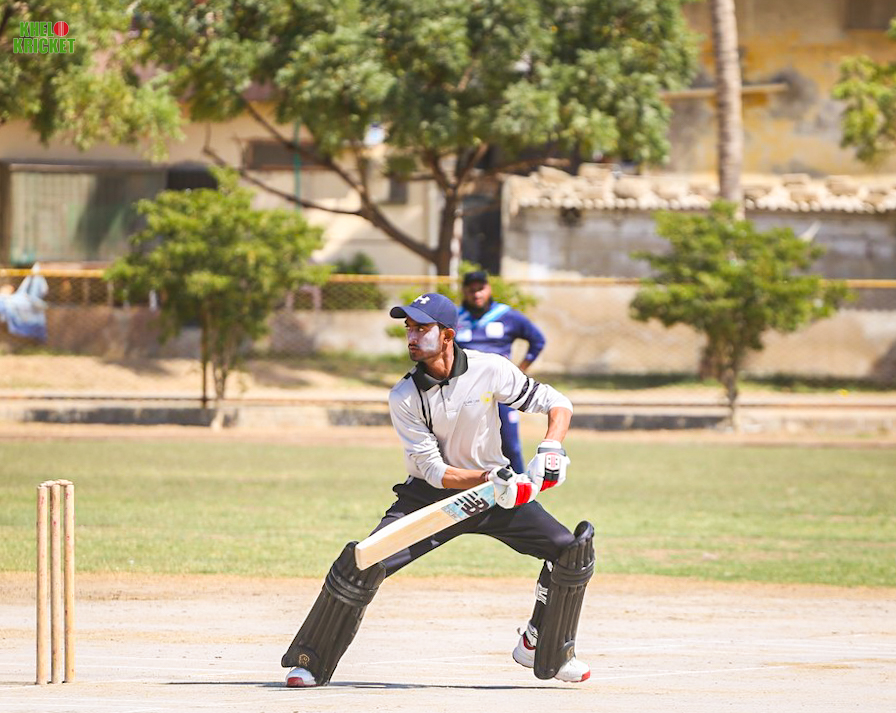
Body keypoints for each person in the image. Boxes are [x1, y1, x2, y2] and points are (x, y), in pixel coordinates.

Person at [281, 293, 594, 688]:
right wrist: (492, 479)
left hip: (495, 495)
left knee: (569, 552)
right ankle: (310, 661)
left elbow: (556, 402)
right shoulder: (404, 396)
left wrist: (551, 447)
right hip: (431, 497)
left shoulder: (490, 369)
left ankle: (542, 645)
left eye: (421, 328)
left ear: (447, 335)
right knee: (362, 562)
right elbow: (434, 471)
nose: (412, 336)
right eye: (408, 328)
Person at [456, 270, 546, 474]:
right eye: (471, 290)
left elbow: (538, 340)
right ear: (464, 291)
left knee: (510, 445)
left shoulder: (507, 316)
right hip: (465, 391)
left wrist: (520, 370)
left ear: (488, 289)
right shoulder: (456, 318)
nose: (476, 294)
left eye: (480, 289)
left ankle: (521, 489)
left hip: (500, 391)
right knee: (463, 448)